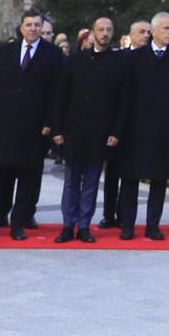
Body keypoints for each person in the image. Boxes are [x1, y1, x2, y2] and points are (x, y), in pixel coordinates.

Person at [0, 11, 65, 241]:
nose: (33, 29)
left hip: (34, 127)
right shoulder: (6, 51)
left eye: (37, 25)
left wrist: (50, 123)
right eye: (29, 25)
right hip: (3, 124)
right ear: (21, 27)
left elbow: (57, 92)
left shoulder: (53, 54)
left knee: (28, 179)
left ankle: (18, 223)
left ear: (42, 28)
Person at [115, 12, 169, 240]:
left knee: (158, 179)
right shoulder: (133, 58)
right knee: (129, 178)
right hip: (134, 128)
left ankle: (152, 225)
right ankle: (127, 224)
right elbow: (124, 95)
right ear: (153, 31)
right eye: (166, 28)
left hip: (163, 128)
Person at [52, 15, 124, 243]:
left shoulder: (118, 62)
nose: (105, 33)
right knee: (71, 182)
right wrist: (57, 129)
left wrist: (116, 131)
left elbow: (123, 100)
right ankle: (67, 225)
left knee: (91, 183)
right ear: (93, 33)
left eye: (108, 29)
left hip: (101, 132)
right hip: (74, 130)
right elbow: (61, 95)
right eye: (100, 29)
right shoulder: (75, 60)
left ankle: (84, 225)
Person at [100, 18, 149, 230]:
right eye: (141, 32)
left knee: (131, 175)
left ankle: (125, 215)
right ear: (130, 35)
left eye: (148, 32)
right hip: (117, 123)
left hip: (139, 125)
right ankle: (108, 214)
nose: (145, 35)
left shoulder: (151, 58)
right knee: (112, 173)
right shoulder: (119, 56)